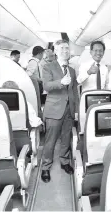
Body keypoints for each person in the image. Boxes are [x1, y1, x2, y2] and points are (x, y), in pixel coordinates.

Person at [41, 39, 79, 183]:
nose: (66, 50)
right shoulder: (48, 67)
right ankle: (45, 166)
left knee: (65, 138)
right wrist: (60, 83)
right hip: (54, 109)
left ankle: (64, 161)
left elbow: (74, 91)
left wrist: (75, 110)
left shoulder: (72, 70)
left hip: (69, 110)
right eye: (62, 48)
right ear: (56, 51)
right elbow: (46, 86)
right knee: (50, 140)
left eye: (67, 48)